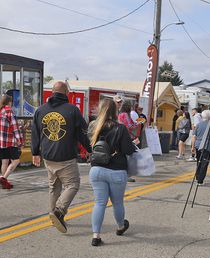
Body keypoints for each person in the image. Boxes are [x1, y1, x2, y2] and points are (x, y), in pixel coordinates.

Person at [31, 80, 91, 233]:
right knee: (73, 185)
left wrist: (35, 152)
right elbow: (83, 133)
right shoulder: (72, 110)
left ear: (52, 92)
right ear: (66, 93)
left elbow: (35, 133)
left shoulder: (40, 110)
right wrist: (90, 148)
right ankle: (59, 211)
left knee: (54, 186)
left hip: (48, 156)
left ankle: (53, 215)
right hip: (65, 156)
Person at [88, 98, 137, 247]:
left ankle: (96, 236)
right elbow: (129, 150)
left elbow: (89, 145)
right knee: (117, 202)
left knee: (99, 203)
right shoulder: (120, 128)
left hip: (96, 170)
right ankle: (121, 226)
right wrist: (133, 144)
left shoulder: (92, 126)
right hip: (116, 171)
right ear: (115, 111)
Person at [0, 95, 23, 190]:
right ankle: (3, 178)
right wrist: (19, 140)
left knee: (4, 161)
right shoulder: (9, 112)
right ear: (10, 102)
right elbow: (15, 128)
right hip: (8, 141)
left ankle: (4, 182)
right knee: (16, 160)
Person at [193, 110, 210, 184]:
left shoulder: (198, 125)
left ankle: (197, 177)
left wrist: (193, 147)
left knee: (199, 161)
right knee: (204, 163)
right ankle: (200, 180)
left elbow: (194, 137)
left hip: (198, 145)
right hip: (207, 146)